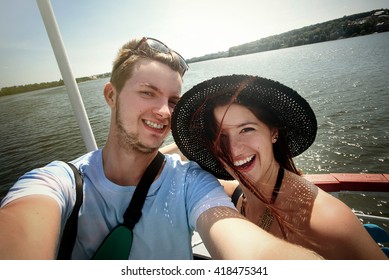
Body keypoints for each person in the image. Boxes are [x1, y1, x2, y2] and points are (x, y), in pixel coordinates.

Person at [0, 38, 322, 260]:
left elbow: (238, 239)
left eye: (172, 101)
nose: (165, 112)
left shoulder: (189, 182)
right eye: (148, 93)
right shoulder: (58, 183)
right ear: (111, 96)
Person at [171, 74, 388, 260]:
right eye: (221, 136)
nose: (233, 149)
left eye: (246, 129)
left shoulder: (326, 220)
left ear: (273, 132)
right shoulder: (238, 194)